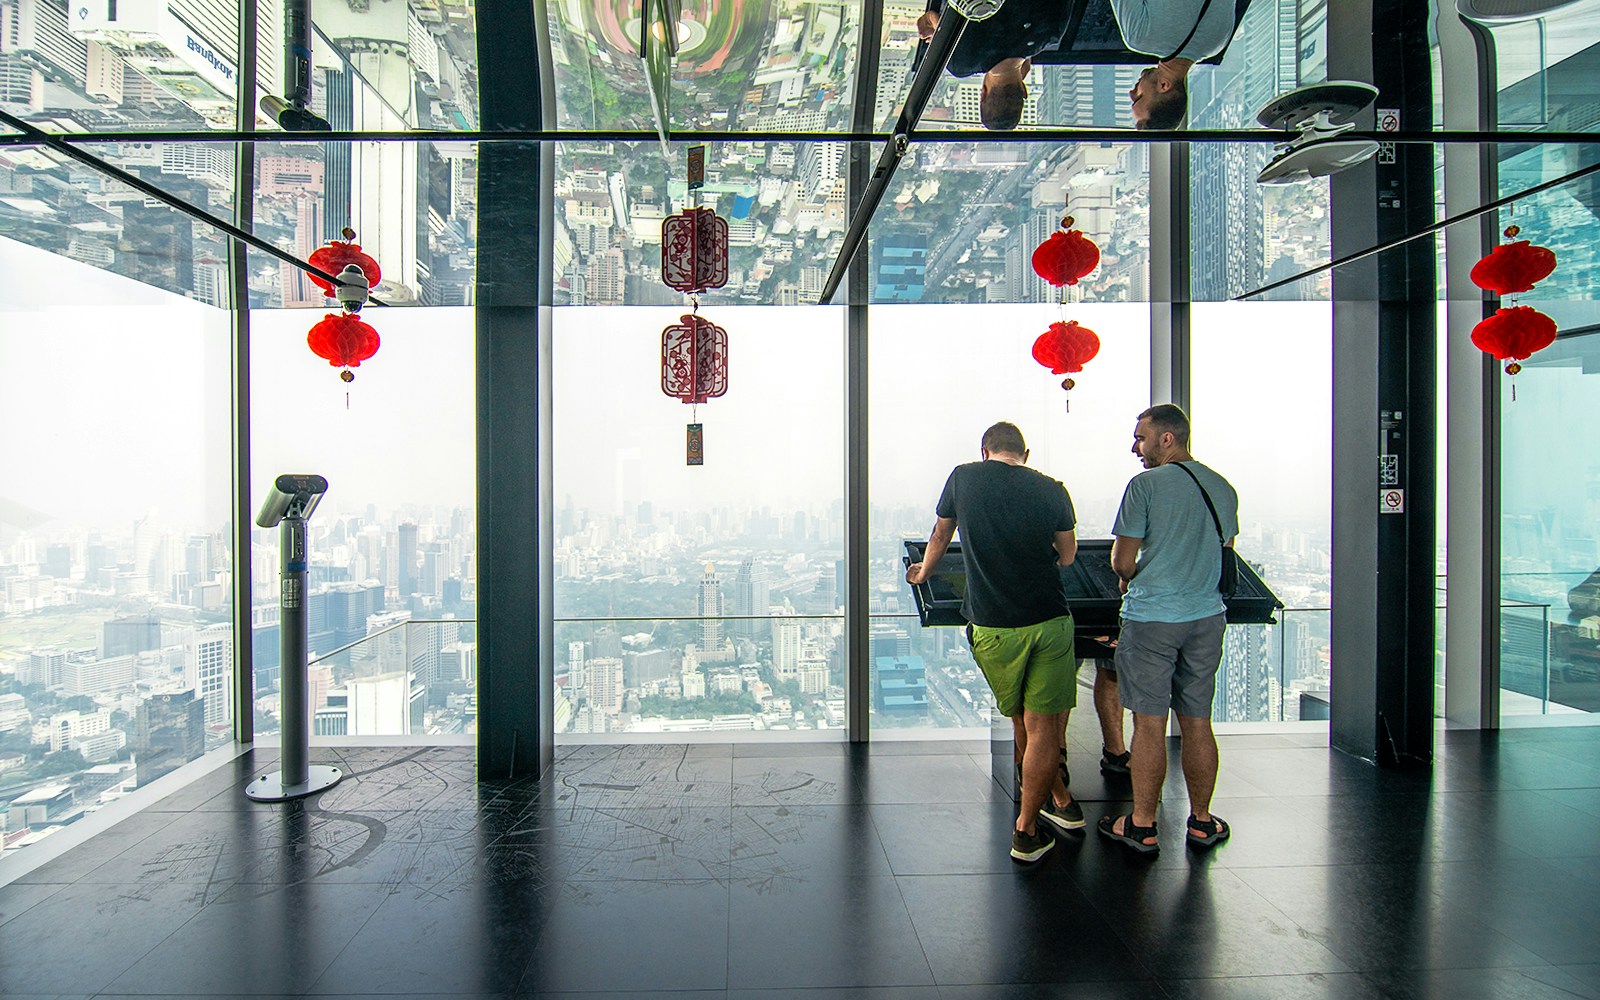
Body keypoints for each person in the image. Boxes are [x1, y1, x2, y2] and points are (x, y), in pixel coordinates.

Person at [906, 421, 1084, 862]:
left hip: (992, 625)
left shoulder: (963, 478)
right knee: (1042, 724)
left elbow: (941, 534)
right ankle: (1032, 824)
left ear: (985, 451)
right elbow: (1068, 555)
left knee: (1021, 720)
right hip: (1048, 618)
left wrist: (925, 572)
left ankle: (1050, 805)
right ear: (1025, 452)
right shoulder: (1052, 489)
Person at [1098, 403, 1237, 854]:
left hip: (1152, 619)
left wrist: (1130, 573)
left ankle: (1142, 825)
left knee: (1149, 724)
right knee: (1197, 721)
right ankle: (1200, 821)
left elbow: (1122, 561)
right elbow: (1223, 551)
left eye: (1140, 437)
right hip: (1205, 618)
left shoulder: (1144, 487)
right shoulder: (1223, 488)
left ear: (1166, 439)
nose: (1134, 446)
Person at [916, 1, 1076, 130]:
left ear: (1024, 90)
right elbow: (932, 17)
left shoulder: (1053, 31)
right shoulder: (959, 62)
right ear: (983, 93)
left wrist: (1028, 54)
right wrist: (935, 30)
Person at [1113, 0, 1239, 129]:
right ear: (1164, 85)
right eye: (1138, 97)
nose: (1131, 92)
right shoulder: (1140, 38)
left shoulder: (1218, 42)